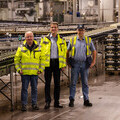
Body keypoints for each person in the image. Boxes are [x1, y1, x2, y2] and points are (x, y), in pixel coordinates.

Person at [66, 24, 96, 107]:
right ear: (77, 31)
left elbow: (94, 51)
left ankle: (86, 99)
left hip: (85, 64)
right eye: (79, 30)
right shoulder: (72, 40)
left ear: (84, 31)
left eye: (82, 30)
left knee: (85, 83)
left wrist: (93, 61)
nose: (80, 32)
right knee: (73, 83)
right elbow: (67, 52)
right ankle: (71, 100)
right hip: (75, 64)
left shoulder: (88, 40)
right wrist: (67, 62)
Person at [14, 31, 44, 111]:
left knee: (34, 89)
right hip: (25, 73)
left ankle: (34, 104)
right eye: (27, 37)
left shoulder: (39, 47)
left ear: (33, 37)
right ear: (25, 38)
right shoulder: (21, 47)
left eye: (30, 36)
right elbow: (16, 60)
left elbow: (42, 60)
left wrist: (41, 69)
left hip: (35, 72)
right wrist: (18, 69)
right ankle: (24, 105)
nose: (29, 38)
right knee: (24, 89)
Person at [40, 22, 67, 109]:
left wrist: (63, 65)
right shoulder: (44, 39)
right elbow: (40, 53)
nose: (53, 29)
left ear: (57, 29)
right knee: (47, 83)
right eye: (52, 27)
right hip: (48, 64)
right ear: (50, 29)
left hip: (57, 63)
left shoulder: (62, 40)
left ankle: (56, 102)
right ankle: (47, 102)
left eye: (55, 27)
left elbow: (64, 53)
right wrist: (41, 65)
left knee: (57, 84)